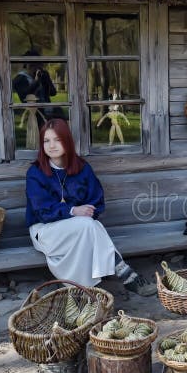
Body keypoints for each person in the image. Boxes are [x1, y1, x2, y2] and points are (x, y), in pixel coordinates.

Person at [25, 118, 155, 295]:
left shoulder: (82, 168)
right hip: (45, 232)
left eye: (57, 139)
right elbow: (42, 211)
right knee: (88, 225)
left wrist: (85, 214)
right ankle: (125, 274)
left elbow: (96, 201)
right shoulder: (36, 172)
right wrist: (72, 211)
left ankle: (84, 291)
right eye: (46, 141)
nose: (51, 145)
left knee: (89, 225)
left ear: (67, 141)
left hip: (81, 231)